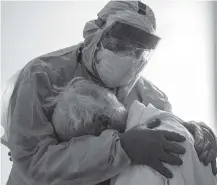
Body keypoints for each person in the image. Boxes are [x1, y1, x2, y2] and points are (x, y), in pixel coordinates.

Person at [1, 1, 217, 185]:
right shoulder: (42, 75)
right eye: (119, 43)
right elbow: (32, 159)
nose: (128, 56)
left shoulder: (148, 95)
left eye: (138, 51)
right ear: (94, 33)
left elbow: (171, 133)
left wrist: (199, 131)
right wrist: (120, 148)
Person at [45, 77, 216, 185]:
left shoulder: (140, 170)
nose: (86, 159)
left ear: (103, 123)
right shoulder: (171, 123)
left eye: (82, 144)